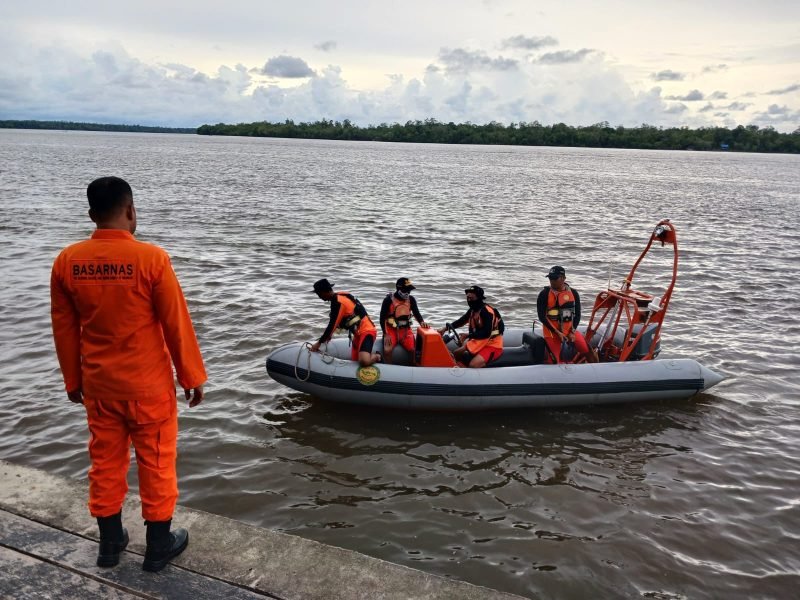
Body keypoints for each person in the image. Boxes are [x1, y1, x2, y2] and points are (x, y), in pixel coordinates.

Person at [50, 176, 207, 572]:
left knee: (104, 462)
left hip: (99, 386)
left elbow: (64, 328)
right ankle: (157, 546)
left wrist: (73, 380)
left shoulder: (67, 261)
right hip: (148, 385)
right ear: (132, 211)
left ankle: (109, 543)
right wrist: (190, 376)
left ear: (91, 215)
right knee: (156, 461)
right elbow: (176, 322)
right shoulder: (152, 259)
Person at [309, 279, 380, 367]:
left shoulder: (338, 301)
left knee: (363, 362)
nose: (319, 297)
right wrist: (329, 336)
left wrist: (319, 343)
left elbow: (332, 324)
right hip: (357, 334)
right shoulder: (339, 298)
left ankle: (377, 356)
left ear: (324, 292)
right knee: (355, 363)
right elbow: (338, 322)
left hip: (367, 331)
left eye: (319, 294)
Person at [537, 265, 597, 364]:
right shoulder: (544, 294)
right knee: (554, 361)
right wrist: (557, 332)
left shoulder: (573, 293)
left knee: (587, 350)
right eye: (550, 278)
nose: (552, 281)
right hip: (552, 333)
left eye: (555, 278)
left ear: (563, 278)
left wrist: (572, 331)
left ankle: (595, 370)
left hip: (569, 330)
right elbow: (541, 317)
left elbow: (577, 315)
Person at [438, 285, 504, 368]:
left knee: (473, 364)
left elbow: (486, 333)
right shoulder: (473, 310)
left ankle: (463, 374)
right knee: (456, 353)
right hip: (479, 341)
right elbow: (461, 321)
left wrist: (468, 335)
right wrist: (445, 328)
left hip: (492, 344)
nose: (469, 300)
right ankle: (458, 367)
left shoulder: (486, 312)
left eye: (471, 298)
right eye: (468, 298)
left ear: (479, 298)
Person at [379, 277, 428, 364]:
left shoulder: (411, 300)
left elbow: (416, 313)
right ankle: (389, 369)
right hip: (391, 330)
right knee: (387, 350)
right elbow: (382, 318)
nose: (408, 293)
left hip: (405, 331)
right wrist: (385, 334)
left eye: (409, 290)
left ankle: (412, 368)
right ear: (399, 289)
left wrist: (422, 322)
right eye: (406, 290)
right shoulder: (388, 300)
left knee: (413, 350)